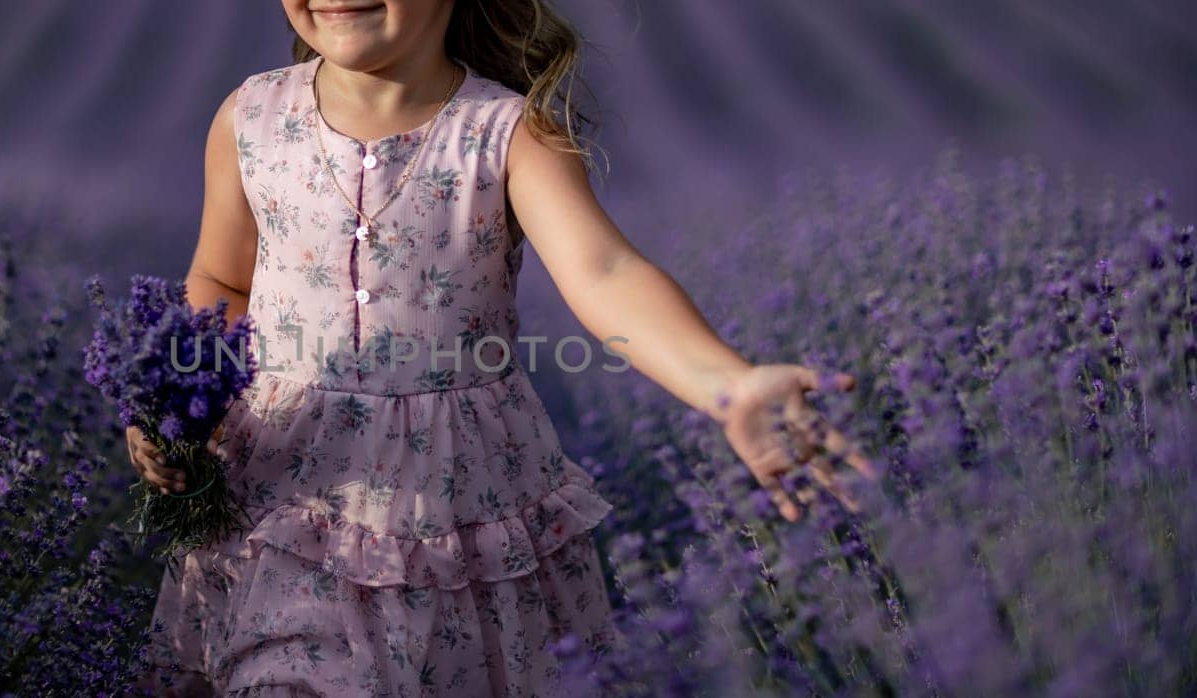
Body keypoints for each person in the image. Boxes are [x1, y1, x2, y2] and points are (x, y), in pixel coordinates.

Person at [126, 1, 879, 695]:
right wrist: (186, 408)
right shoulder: (251, 117)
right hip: (286, 494)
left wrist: (729, 385)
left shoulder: (505, 130)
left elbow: (604, 272)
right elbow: (222, 278)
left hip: (457, 506)